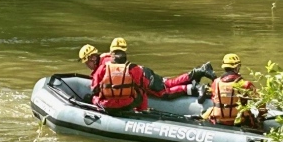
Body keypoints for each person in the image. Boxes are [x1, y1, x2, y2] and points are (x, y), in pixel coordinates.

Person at [82, 37, 215, 98]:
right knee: (168, 82)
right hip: (143, 71)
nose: (87, 66)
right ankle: (199, 71)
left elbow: (98, 86)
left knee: (164, 93)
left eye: (86, 62)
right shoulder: (106, 58)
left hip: (143, 77)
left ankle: (195, 87)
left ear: (92, 58)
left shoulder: (105, 64)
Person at [204, 53, 259, 127]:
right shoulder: (245, 84)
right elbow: (260, 101)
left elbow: (214, 98)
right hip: (240, 121)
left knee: (208, 112)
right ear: (237, 67)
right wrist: (261, 116)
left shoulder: (215, 83)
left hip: (219, 120)